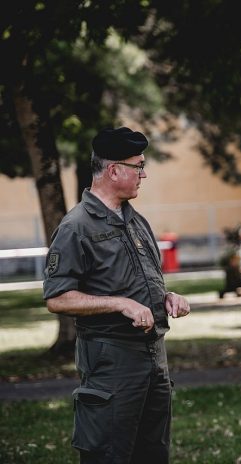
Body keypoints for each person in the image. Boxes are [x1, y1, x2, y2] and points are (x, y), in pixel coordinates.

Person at [43, 127, 191, 463]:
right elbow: (57, 297)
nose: (144, 173)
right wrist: (119, 304)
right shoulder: (76, 227)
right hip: (112, 364)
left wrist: (168, 297)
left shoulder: (135, 221)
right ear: (114, 170)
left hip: (153, 359)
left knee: (153, 454)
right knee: (109, 455)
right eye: (138, 166)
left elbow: (142, 280)